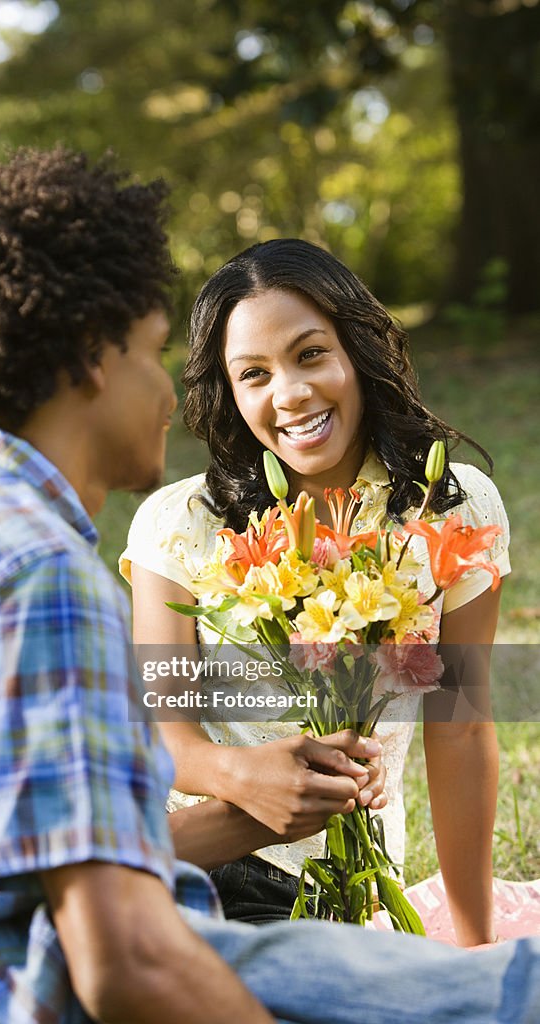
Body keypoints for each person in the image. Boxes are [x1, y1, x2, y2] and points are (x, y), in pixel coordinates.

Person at [0, 147, 535, 1024]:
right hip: (0, 980)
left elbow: (55, 849)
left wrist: (276, 811)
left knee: (475, 986)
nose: (173, 397)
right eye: (151, 353)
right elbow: (123, 955)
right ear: (93, 358)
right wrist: (239, 783)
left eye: (308, 355)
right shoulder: (42, 571)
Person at [122, 238, 510, 942]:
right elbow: (162, 731)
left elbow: (460, 729)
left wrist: (478, 951)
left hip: (355, 880)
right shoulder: (180, 525)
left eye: (309, 354)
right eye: (253, 374)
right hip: (203, 861)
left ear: (356, 352)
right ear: (229, 394)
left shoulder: (448, 510)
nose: (289, 395)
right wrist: (242, 776)